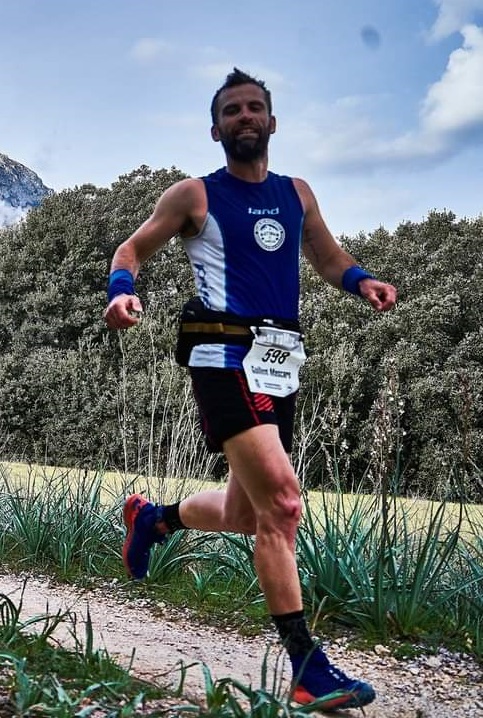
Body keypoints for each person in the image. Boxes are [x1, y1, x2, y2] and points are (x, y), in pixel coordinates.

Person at [104, 67, 397, 711]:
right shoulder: (194, 196)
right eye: (231, 110)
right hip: (221, 354)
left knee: (246, 514)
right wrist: (122, 292)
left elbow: (328, 257)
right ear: (215, 130)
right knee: (284, 505)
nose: (244, 116)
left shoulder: (297, 194)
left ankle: (153, 518)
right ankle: (307, 668)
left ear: (272, 122)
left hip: (278, 363)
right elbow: (131, 249)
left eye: (254, 107)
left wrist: (363, 282)